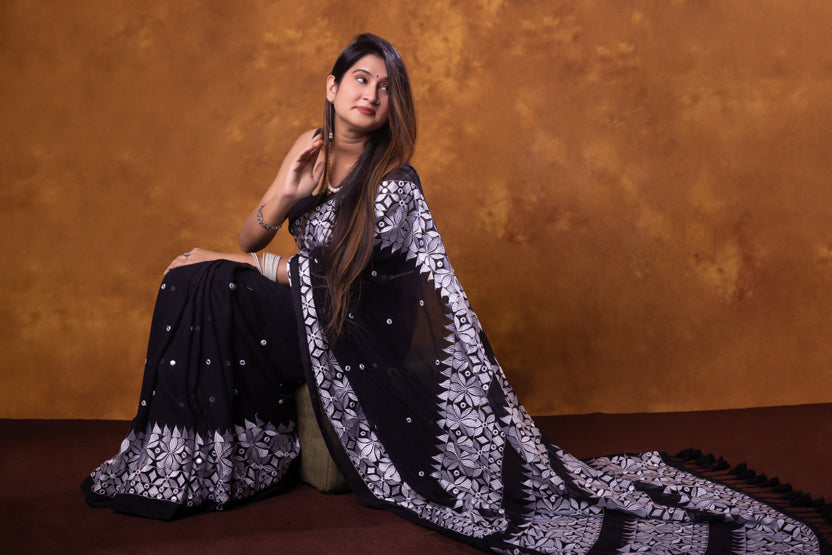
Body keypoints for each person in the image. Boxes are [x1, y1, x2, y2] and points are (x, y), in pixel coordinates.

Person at [83, 34, 830, 554]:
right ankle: (201, 459)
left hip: (358, 345)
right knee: (199, 279)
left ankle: (194, 464)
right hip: (313, 327)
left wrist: (232, 257)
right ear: (332, 86)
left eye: (385, 85)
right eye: (360, 78)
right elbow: (255, 237)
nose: (372, 92)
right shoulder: (309, 162)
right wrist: (281, 192)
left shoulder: (394, 183)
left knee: (205, 274)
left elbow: (354, 287)